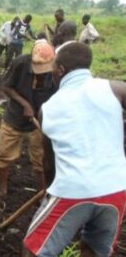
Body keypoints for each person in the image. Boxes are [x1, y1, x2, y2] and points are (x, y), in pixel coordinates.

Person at [23, 42, 126, 257]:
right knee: (95, 250)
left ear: (60, 70)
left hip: (73, 189)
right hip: (116, 188)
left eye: (53, 68)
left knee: (33, 249)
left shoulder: (49, 108)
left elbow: (49, 163)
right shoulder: (115, 89)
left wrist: (49, 193)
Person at [0, 40, 57, 196]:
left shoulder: (57, 70)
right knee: (4, 154)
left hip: (41, 120)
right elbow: (6, 87)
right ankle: (3, 188)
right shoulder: (21, 63)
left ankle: (42, 192)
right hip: (15, 117)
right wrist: (25, 104)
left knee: (41, 159)